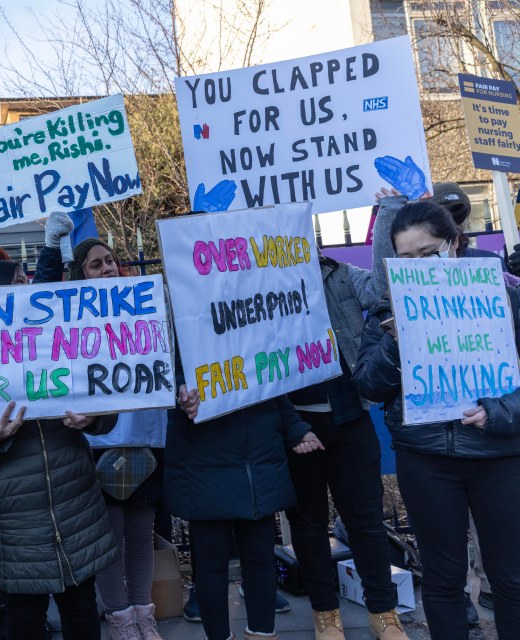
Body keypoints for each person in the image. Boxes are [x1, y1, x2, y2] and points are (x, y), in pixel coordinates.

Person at [353, 201, 520, 640]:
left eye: (428, 255)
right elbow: (369, 384)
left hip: (500, 455)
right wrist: (395, 340)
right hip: (426, 458)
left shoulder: (505, 296)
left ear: (454, 244)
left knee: (513, 579)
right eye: (405, 261)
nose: (419, 269)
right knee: (443, 581)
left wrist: (500, 412)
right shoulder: (386, 311)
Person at [0, 260, 119, 640]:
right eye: (15, 284)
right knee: (24, 621)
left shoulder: (63, 338)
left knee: (82, 613)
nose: (26, 289)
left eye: (27, 281)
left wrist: (95, 419)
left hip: (74, 508)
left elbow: (108, 407)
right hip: (14, 522)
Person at [284, 251, 409, 640]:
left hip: (348, 417)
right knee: (307, 525)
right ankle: (325, 613)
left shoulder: (338, 274)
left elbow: (380, 289)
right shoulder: (260, 283)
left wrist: (386, 210)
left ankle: (384, 612)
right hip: (298, 422)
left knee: (366, 520)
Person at [167, 366, 322, 640]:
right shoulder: (182, 327)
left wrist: (296, 428)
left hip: (257, 458)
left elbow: (271, 381)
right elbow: (165, 368)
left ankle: (262, 634)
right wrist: (180, 390)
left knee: (260, 557)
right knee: (211, 562)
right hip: (204, 458)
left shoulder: (256, 330)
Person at [66, 236, 166, 640]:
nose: (107, 268)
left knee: (142, 533)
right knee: (109, 538)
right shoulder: (71, 318)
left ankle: (144, 614)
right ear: (81, 275)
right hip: (99, 443)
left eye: (110, 261)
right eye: (95, 265)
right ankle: (120, 618)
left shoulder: (149, 306)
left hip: (146, 437)